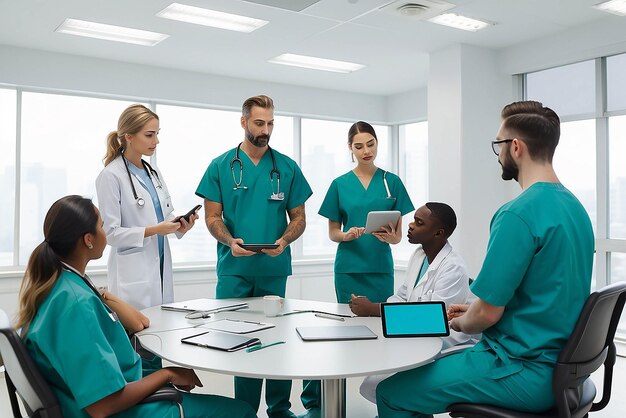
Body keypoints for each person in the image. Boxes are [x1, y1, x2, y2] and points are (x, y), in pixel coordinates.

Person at [376, 101, 595, 417]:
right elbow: (547, 293)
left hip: (520, 369)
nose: (499, 154)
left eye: (499, 145)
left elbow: (487, 315)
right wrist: (478, 308)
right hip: (565, 370)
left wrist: (463, 318)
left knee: (391, 392)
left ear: (515, 147)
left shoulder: (516, 215)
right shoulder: (576, 210)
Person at [15, 195, 257, 418]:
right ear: (88, 240)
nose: (105, 233)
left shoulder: (63, 286)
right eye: (101, 226)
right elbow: (102, 405)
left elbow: (137, 325)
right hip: (123, 410)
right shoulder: (76, 304)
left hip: (120, 394)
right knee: (241, 412)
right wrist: (167, 374)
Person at [195, 94, 312, 418]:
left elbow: (299, 218)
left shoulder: (286, 167)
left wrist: (286, 240)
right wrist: (230, 240)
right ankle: (244, 411)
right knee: (240, 342)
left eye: (270, 123)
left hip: (273, 267)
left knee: (276, 340)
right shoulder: (221, 166)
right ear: (244, 121)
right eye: (259, 123)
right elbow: (212, 217)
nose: (265, 129)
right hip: (234, 268)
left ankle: (279, 409)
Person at [299, 121, 413, 417]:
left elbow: (398, 236)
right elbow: (333, 233)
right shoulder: (340, 184)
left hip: (380, 268)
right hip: (349, 268)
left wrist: (390, 237)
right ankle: (318, 403)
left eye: (371, 144)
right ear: (350, 148)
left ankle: (386, 400)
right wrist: (347, 235)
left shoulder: (392, 182)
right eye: (359, 145)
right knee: (343, 333)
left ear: (377, 144)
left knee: (383, 333)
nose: (366, 150)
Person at [349, 202, 476, 404]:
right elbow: (402, 296)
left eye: (419, 222)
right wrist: (375, 310)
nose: (410, 225)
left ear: (438, 233)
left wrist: (372, 309)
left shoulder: (454, 268)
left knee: (381, 384)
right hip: (415, 335)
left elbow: (431, 318)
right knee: (372, 382)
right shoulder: (419, 255)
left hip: (444, 341)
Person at [96, 104, 198, 310]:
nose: (156, 141)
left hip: (159, 266)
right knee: (136, 337)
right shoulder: (111, 176)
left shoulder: (153, 172)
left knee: (161, 330)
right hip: (133, 275)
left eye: (157, 134)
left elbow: (164, 215)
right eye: (149, 135)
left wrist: (180, 225)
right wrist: (155, 230)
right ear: (129, 137)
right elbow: (110, 234)